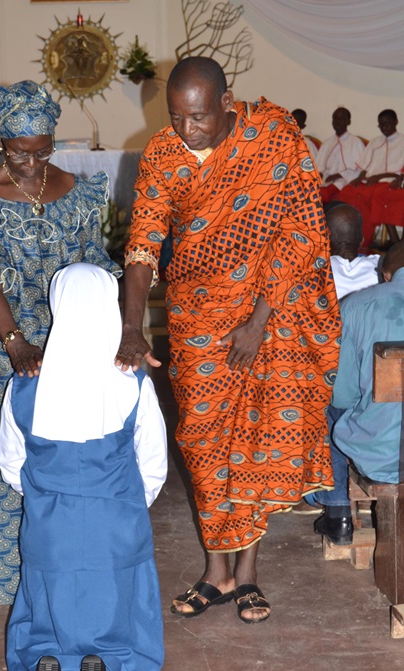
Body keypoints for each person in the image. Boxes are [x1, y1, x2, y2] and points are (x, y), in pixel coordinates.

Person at [116, 56, 341, 623]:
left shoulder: (274, 136)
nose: (186, 129)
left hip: (267, 311)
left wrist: (259, 321)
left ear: (225, 102)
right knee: (202, 440)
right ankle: (215, 572)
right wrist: (131, 325)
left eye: (198, 117)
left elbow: (301, 231)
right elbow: (143, 242)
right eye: (176, 117)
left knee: (257, 439)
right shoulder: (163, 154)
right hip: (196, 317)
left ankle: (247, 576)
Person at [0, 81, 121, 649]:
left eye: (43, 150)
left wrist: (100, 336)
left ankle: (60, 586)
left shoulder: (77, 192)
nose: (33, 162)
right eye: (20, 152)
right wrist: (17, 343)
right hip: (5, 350)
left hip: (70, 346)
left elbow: (94, 267)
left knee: (66, 466)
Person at [0, 263, 167, 671]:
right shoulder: (131, 380)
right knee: (118, 589)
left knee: (47, 590)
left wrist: (47, 500)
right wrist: (128, 504)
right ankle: (101, 665)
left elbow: (11, 464)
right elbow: (153, 462)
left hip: (49, 526)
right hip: (117, 522)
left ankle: (48, 661)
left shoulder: (26, 382)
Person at [296, 204, 380, 538]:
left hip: (332, 382)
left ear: (323, 237)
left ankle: (336, 510)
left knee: (321, 414)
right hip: (379, 384)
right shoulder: (380, 268)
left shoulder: (311, 272)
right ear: (362, 236)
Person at [330, 240, 404, 486]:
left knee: (325, 405)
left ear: (386, 275)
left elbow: (343, 397)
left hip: (384, 460)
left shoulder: (355, 306)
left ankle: (336, 502)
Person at [337, 110, 404, 248]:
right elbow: (365, 165)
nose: (384, 127)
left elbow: (399, 173)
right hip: (371, 181)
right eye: (381, 125)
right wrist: (359, 178)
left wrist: (379, 177)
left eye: (387, 123)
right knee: (348, 191)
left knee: (375, 195)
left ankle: (393, 242)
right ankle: (351, 237)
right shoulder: (375, 141)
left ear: (396, 122)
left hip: (389, 181)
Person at [315, 108, 365, 205]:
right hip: (326, 180)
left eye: (341, 118)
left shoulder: (355, 142)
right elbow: (318, 167)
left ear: (348, 121)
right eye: (335, 118)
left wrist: (339, 175)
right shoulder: (327, 143)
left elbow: (361, 169)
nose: (337, 121)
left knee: (320, 194)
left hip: (344, 181)